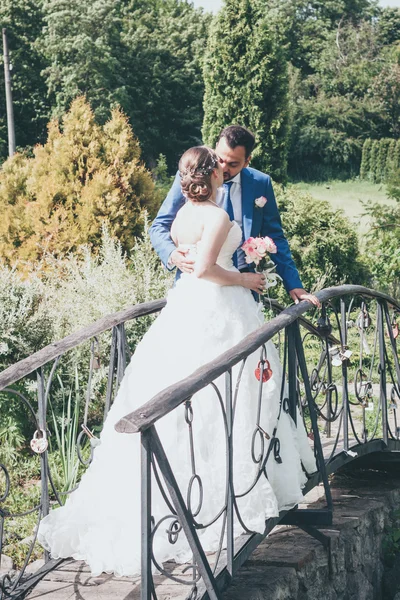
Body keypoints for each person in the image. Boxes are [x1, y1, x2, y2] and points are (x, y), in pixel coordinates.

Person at [38, 146, 317, 577]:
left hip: (185, 310)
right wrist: (244, 277)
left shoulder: (188, 210)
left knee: (197, 394)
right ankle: (219, 500)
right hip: (221, 307)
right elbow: (204, 268)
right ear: (214, 175)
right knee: (227, 393)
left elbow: (190, 255)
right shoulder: (219, 216)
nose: (226, 171)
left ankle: (181, 499)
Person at [150, 125, 317, 305]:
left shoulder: (261, 183)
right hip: (196, 287)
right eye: (220, 160)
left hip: (243, 289)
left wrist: (294, 285)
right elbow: (159, 225)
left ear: (247, 161)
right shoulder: (190, 178)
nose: (222, 168)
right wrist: (171, 254)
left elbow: (275, 237)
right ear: (215, 148)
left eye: (233, 164)